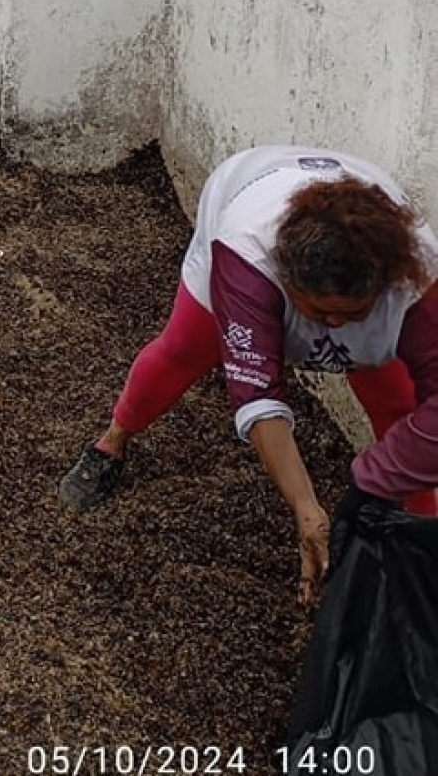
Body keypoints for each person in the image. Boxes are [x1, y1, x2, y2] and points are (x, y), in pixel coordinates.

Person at [59, 147, 438, 604]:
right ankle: (112, 441)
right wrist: (306, 508)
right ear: (286, 279)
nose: (334, 325)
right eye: (320, 312)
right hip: (242, 197)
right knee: (184, 349)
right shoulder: (246, 255)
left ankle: (421, 542)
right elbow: (257, 396)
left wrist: (374, 483)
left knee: (396, 402)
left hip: (362, 274)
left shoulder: (416, 276)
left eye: (352, 314)